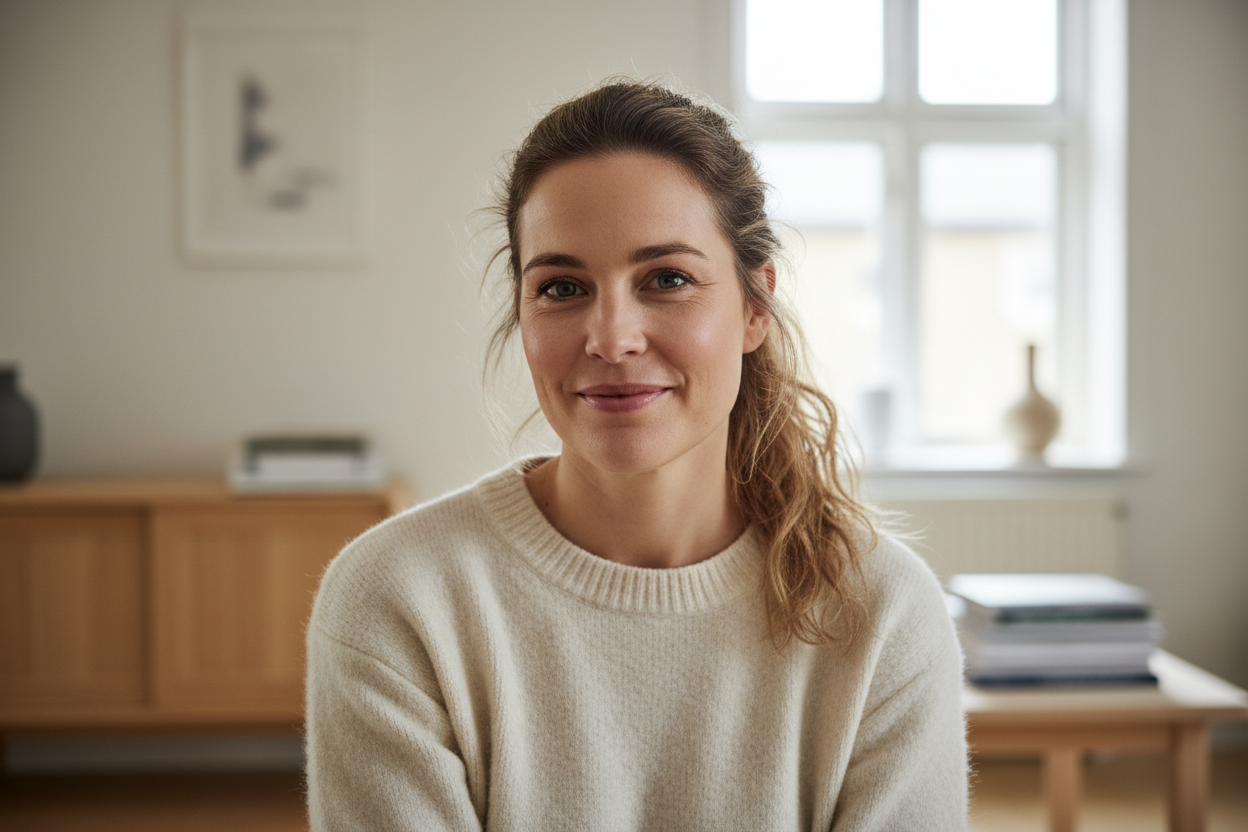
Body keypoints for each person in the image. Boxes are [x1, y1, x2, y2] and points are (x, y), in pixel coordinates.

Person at [305, 80, 968, 831]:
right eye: (561, 287)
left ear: (756, 307)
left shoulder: (882, 612)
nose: (611, 338)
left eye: (668, 279)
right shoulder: (397, 601)